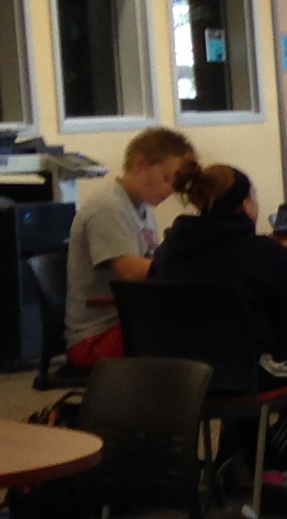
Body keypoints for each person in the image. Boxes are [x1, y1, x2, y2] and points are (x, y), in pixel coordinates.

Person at [150, 162, 287, 508]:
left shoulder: (169, 250)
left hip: (181, 375)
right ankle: (269, 467)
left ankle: (235, 462)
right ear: (244, 205)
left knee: (247, 375)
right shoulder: (257, 251)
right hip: (245, 371)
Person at [61, 126, 198, 369]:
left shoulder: (141, 208)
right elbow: (130, 271)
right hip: (97, 334)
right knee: (195, 339)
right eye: (167, 178)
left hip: (129, 321)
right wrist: (190, 269)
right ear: (140, 164)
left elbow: (154, 263)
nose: (170, 190)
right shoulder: (109, 208)